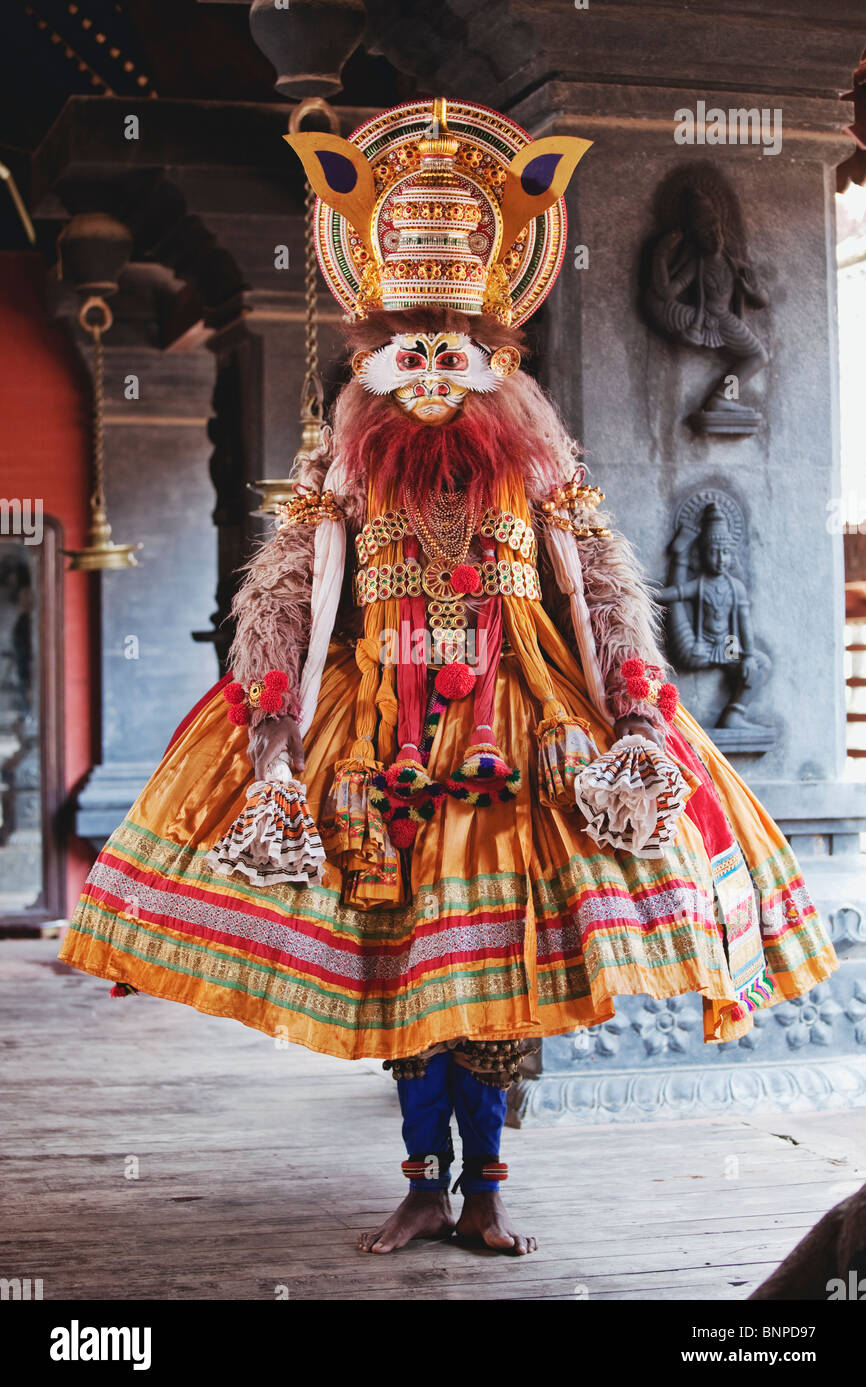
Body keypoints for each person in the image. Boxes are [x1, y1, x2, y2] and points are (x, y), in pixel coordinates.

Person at [59, 98, 836, 1257]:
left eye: (451, 351)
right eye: (404, 351)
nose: (427, 374)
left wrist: (629, 702)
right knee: (403, 970)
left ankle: (484, 1190)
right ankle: (424, 1181)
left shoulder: (535, 460)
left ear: (495, 351)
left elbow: (593, 588)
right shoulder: (347, 457)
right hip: (378, 729)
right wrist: (279, 717)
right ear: (370, 352)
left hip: (518, 723)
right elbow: (303, 587)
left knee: (496, 983)